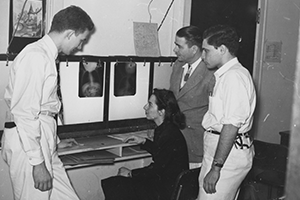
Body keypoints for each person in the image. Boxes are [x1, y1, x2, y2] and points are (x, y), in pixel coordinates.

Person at [1, 5, 95, 200]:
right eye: (81, 40)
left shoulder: (45, 56)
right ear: (70, 34)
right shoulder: (36, 57)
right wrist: (37, 163)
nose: (80, 47)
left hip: (42, 138)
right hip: (29, 143)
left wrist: (54, 142)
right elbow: (25, 112)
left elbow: (45, 106)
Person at [197, 24, 256, 200]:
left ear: (222, 49)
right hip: (220, 151)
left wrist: (216, 168)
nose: (202, 56)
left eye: (206, 51)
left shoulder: (234, 77)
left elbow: (230, 127)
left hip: (227, 157)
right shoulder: (224, 75)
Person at [101, 88, 189, 200]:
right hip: (165, 182)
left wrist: (131, 173)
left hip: (165, 190)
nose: (145, 107)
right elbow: (161, 153)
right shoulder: (166, 128)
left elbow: (157, 168)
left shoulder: (168, 134)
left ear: (161, 112)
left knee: (116, 184)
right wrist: (144, 141)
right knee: (118, 183)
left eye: (150, 105)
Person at [169, 25, 216, 169]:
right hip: (175, 140)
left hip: (196, 145)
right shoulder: (178, 65)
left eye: (179, 46)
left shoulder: (211, 73)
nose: (175, 50)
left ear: (194, 49)